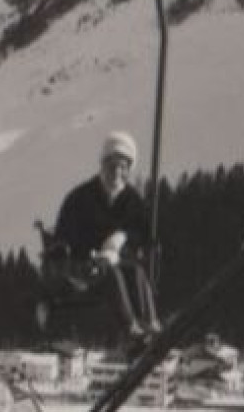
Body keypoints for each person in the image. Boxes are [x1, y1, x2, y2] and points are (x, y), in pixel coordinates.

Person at [47, 131, 162, 338]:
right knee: (111, 273)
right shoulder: (80, 198)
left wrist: (122, 241)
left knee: (135, 272)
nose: (117, 172)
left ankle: (151, 324)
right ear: (103, 165)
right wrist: (89, 256)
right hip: (82, 266)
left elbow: (141, 235)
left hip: (118, 263)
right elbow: (65, 237)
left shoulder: (133, 201)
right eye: (112, 166)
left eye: (123, 167)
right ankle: (131, 329)